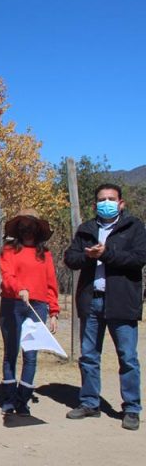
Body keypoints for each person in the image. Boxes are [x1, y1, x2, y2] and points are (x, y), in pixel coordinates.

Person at [63, 183, 146, 431]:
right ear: (94, 205)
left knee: (128, 357)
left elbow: (139, 259)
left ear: (121, 203)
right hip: (92, 300)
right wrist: (87, 256)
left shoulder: (134, 228)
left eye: (111, 199)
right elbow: (70, 258)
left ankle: (131, 408)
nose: (106, 203)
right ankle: (90, 402)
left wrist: (107, 254)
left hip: (122, 300)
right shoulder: (86, 230)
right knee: (88, 355)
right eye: (102, 199)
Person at [0, 209, 59, 416]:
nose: (27, 229)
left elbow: (51, 284)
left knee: (31, 354)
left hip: (37, 307)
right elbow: (7, 275)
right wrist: (19, 288)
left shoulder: (46, 254)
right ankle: (8, 398)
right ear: (18, 228)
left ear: (38, 229)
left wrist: (54, 312)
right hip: (12, 304)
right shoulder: (8, 250)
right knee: (11, 352)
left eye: (31, 225)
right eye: (23, 225)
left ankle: (23, 399)